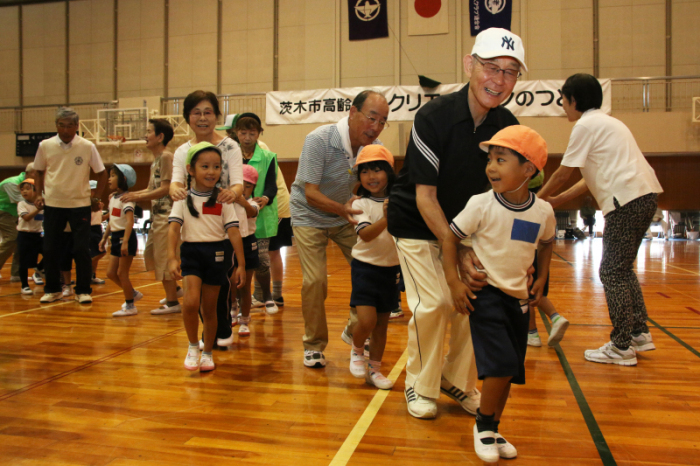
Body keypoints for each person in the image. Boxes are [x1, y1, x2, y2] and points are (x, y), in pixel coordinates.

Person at [387, 27, 524, 419]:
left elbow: (506, 195)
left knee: (473, 297)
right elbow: (425, 196)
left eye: (510, 72)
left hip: (467, 228)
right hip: (416, 222)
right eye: (490, 68)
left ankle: (457, 382)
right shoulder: (434, 116)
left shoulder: (507, 123)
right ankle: (419, 385)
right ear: (469, 65)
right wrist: (458, 248)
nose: (498, 80)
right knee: (434, 302)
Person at [442, 125, 555, 462]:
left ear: (528, 170)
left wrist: (542, 279)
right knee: (501, 365)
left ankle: (492, 427)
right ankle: (482, 427)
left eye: (501, 159)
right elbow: (450, 239)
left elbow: (547, 244)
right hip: (486, 295)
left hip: (518, 300)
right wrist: (454, 282)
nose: (491, 166)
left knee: (509, 371)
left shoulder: (542, 212)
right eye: (490, 159)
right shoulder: (481, 204)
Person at [537, 73, 664, 366]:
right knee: (622, 269)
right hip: (645, 195)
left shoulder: (585, 125)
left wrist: (537, 198)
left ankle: (621, 347)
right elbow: (585, 179)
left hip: (626, 200)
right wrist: (555, 200)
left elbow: (563, 172)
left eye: (564, 101)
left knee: (611, 272)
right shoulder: (609, 122)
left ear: (574, 100)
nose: (563, 107)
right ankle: (638, 333)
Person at [290, 89, 389, 368]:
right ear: (352, 112)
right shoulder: (319, 140)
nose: (376, 126)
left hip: (345, 214)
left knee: (372, 268)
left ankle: (353, 328)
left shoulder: (374, 149)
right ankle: (313, 344)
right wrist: (343, 209)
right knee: (315, 281)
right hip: (309, 214)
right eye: (372, 118)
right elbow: (310, 193)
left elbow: (370, 183)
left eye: (383, 121)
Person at [170, 90, 243, 346]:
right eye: (196, 113)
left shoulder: (231, 146)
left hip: (224, 224)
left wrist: (228, 195)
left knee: (220, 285)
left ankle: (219, 331)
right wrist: (176, 190)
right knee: (197, 290)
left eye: (208, 112)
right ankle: (212, 334)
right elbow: (175, 184)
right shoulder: (182, 151)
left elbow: (238, 185)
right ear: (188, 117)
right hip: (194, 226)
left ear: (216, 116)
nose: (202, 118)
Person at [168, 142, 245, 372]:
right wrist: (172, 258)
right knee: (191, 303)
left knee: (209, 309)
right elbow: (173, 229)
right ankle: (193, 346)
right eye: (204, 166)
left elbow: (233, 232)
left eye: (216, 166)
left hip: (217, 254)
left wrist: (240, 264)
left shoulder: (223, 199)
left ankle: (208, 353)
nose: (211, 171)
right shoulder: (182, 198)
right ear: (190, 169)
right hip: (191, 253)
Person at [33, 107, 108, 304]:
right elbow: (38, 171)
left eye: (70, 126)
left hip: (79, 205)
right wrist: (39, 195)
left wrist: (96, 197)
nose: (65, 130)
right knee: (49, 249)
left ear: (77, 126)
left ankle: (83, 290)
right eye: (61, 125)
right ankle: (53, 289)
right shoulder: (45, 146)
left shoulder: (86, 146)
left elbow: (101, 173)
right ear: (56, 125)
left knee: (81, 249)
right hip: (53, 204)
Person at [348, 145, 399, 390]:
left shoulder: (398, 201)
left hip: (390, 270)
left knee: (381, 325)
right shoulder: (361, 205)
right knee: (367, 321)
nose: (371, 176)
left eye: (377, 170)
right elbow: (366, 235)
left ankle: (375, 371)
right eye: (365, 172)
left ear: (389, 172)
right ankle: (357, 350)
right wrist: (388, 218)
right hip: (365, 268)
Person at [122, 118, 182, 315]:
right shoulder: (156, 160)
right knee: (153, 255)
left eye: (149, 132)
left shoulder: (166, 157)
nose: (145, 136)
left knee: (165, 258)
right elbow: (151, 188)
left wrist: (136, 196)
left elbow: (166, 189)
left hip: (167, 216)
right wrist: (134, 195)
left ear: (160, 136)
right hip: (157, 217)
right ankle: (176, 290)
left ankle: (173, 303)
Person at [234, 113, 280, 315]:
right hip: (234, 217)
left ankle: (267, 296)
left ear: (259, 134)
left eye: (252, 133)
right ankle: (236, 303)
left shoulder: (268, 157)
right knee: (235, 262)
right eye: (243, 133)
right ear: (236, 133)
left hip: (259, 216)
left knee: (261, 261)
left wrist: (266, 198)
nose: (247, 137)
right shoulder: (229, 155)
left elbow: (272, 186)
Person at [99, 164, 140, 317]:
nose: (109, 179)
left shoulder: (127, 199)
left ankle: (130, 306)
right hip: (115, 237)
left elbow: (130, 221)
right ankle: (132, 292)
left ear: (123, 179)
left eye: (112, 176)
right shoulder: (112, 198)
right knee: (110, 273)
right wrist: (104, 238)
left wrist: (125, 242)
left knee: (122, 273)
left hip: (125, 237)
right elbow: (112, 219)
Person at [231, 164, 261, 336]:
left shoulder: (252, 203)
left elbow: (252, 212)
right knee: (231, 282)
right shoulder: (228, 201)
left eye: (248, 186)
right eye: (240, 185)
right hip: (231, 243)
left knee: (245, 285)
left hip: (248, 243)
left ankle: (245, 318)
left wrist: (241, 200)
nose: (243, 189)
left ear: (253, 188)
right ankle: (233, 308)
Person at [0, 163, 37, 282]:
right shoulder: (11, 183)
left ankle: (17, 274)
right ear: (30, 173)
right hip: (4, 212)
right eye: (39, 172)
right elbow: (23, 201)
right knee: (12, 238)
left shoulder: (36, 183)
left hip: (17, 214)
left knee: (21, 240)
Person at [16, 179, 44, 294]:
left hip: (39, 235)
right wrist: (38, 209)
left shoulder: (43, 204)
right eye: (22, 190)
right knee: (23, 262)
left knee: (50, 253)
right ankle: (24, 286)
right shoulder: (22, 204)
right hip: (24, 235)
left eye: (27, 189)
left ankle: (39, 269)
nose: (24, 192)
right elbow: (26, 218)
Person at [88, 180, 108, 285]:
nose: (94, 192)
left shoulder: (97, 203)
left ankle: (92, 276)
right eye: (92, 190)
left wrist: (110, 212)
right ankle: (86, 272)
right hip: (90, 230)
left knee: (96, 254)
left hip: (97, 229)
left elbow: (100, 219)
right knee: (100, 253)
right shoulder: (87, 204)